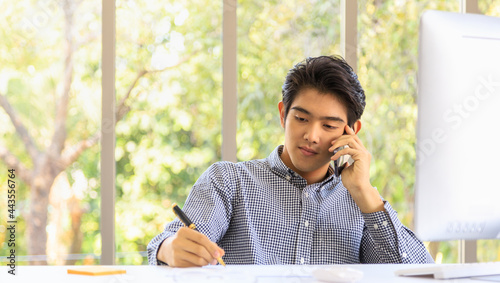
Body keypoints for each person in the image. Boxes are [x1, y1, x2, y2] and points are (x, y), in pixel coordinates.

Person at [147, 55, 434, 267]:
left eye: (329, 126)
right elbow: (170, 244)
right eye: (301, 119)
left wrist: (365, 194)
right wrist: (170, 249)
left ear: (352, 132)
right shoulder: (228, 181)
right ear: (284, 114)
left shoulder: (364, 206)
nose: (311, 135)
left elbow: (417, 273)